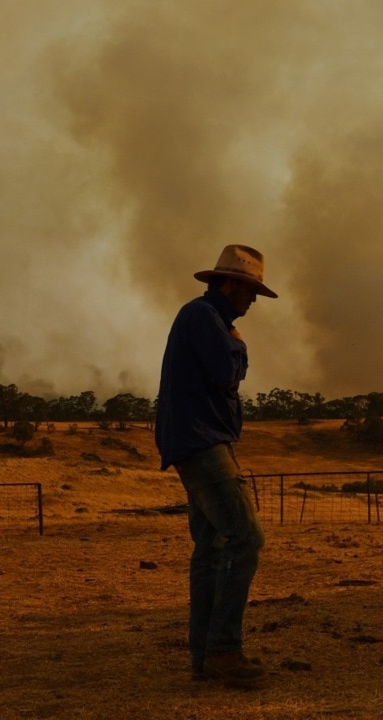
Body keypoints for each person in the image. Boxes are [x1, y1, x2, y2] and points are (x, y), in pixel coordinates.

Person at [155, 245, 277, 690]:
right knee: (245, 538)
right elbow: (226, 373)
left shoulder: (201, 318)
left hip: (194, 443)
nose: (253, 301)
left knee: (210, 548)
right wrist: (241, 349)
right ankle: (224, 650)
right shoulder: (208, 320)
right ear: (231, 284)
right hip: (204, 444)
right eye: (251, 291)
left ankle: (204, 656)